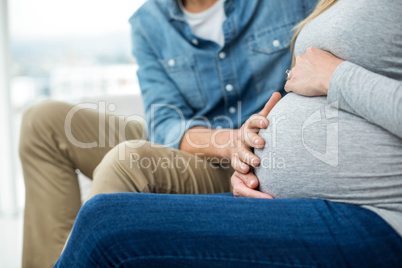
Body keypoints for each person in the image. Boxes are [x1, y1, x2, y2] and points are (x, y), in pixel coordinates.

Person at [53, 0, 402, 267]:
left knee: (108, 214)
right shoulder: (148, 21)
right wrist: (242, 151)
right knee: (50, 126)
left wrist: (335, 77)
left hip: (375, 209)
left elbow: (325, 78)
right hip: (234, 156)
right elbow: (164, 124)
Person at [19, 0, 317, 267]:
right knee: (42, 121)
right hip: (201, 142)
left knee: (129, 160)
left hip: (251, 157)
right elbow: (164, 124)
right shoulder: (148, 21)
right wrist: (228, 140)